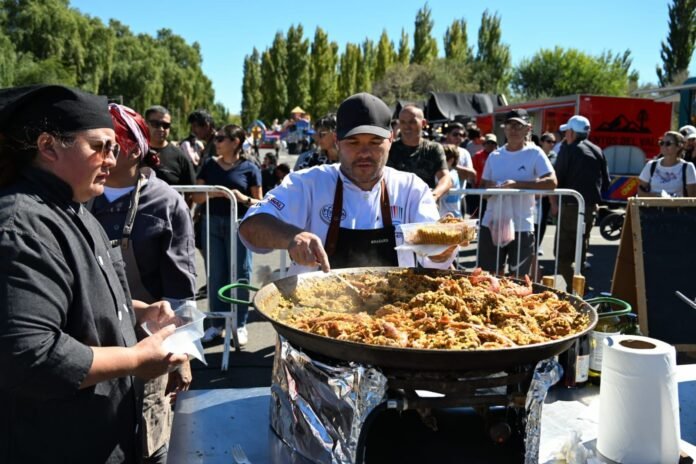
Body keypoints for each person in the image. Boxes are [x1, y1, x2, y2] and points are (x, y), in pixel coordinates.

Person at [0, 84, 185, 463]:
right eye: (99, 147)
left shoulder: (79, 209)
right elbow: (32, 354)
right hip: (56, 443)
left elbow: (88, 299)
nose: (111, 161)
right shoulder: (21, 226)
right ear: (48, 146)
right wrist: (135, 360)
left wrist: (140, 312)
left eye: (115, 149)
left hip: (106, 433)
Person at [239, 92, 458, 275]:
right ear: (337, 142)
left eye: (375, 142)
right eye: (353, 142)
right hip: (314, 308)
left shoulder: (411, 189)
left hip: (396, 308)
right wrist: (291, 237)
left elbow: (433, 258)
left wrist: (442, 250)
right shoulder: (308, 183)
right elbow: (251, 225)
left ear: (390, 140)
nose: (364, 153)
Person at [89, 104, 197, 463]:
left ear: (134, 149)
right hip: (94, 348)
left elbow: (180, 290)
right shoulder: (81, 196)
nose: (101, 155)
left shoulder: (165, 203)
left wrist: (182, 355)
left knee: (149, 439)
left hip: (150, 346)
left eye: (109, 145)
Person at [194, 124, 262, 345]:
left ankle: (239, 324)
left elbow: (260, 203)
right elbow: (196, 197)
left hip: (240, 224)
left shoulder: (250, 168)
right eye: (217, 138)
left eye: (221, 138)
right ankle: (216, 324)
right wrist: (216, 193)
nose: (216, 142)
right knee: (215, 274)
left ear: (235, 142)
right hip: (212, 223)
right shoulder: (209, 165)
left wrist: (242, 198)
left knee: (241, 273)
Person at [479, 109, 557, 277]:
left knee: (519, 277)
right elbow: (482, 189)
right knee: (491, 276)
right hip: (492, 223)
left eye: (518, 125)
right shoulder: (494, 155)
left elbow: (552, 182)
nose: (513, 130)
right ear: (504, 129)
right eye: (509, 125)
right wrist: (490, 188)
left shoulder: (535, 153)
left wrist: (517, 185)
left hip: (522, 224)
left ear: (528, 128)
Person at [550, 115, 611, 292]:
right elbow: (606, 183)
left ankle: (580, 291)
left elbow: (556, 179)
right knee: (579, 255)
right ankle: (578, 290)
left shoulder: (568, 150)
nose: (565, 136)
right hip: (590, 209)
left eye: (566, 132)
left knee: (562, 256)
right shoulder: (597, 150)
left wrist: (554, 203)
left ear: (571, 133)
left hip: (570, 208)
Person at [387, 105, 452, 201]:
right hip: (396, 204)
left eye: (412, 122)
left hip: (424, 204)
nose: (406, 126)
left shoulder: (433, 149)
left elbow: (445, 178)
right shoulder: (390, 149)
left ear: (423, 123)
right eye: (403, 122)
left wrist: (434, 195)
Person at [144, 105, 196, 187]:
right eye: (156, 124)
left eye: (165, 125)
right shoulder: (136, 154)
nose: (161, 129)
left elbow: (192, 190)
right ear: (145, 124)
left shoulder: (180, 157)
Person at [637, 131, 696, 198]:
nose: (663, 146)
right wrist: (658, 197)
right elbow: (640, 192)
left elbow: (692, 197)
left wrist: (672, 200)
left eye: (668, 143)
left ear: (678, 147)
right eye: (661, 143)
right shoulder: (651, 165)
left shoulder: (688, 167)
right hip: (653, 205)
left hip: (678, 205)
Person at [535, 132, 558, 251]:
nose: (551, 144)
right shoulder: (535, 154)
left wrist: (553, 202)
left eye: (554, 142)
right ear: (541, 142)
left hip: (546, 196)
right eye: (549, 141)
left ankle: (537, 245)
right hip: (533, 195)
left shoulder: (555, 157)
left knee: (542, 222)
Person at [438, 145, 464, 218]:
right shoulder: (452, 173)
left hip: (451, 216)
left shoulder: (452, 175)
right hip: (445, 215)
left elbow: (446, 184)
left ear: (451, 160)